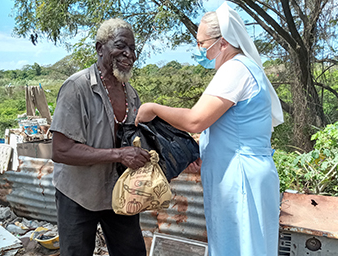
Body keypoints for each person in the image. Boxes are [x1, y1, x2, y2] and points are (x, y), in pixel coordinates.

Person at [135, 2, 284, 256]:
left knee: (240, 248)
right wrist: (205, 150)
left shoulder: (235, 69)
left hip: (240, 179)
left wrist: (154, 108)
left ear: (223, 41)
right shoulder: (244, 68)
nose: (200, 49)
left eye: (202, 43)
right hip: (237, 172)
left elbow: (196, 120)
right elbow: (229, 127)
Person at [50, 18, 150, 256]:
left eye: (133, 49)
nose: (129, 54)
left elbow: (132, 139)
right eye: (121, 46)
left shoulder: (131, 94)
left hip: (119, 194)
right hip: (78, 194)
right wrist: (119, 154)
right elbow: (60, 150)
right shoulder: (76, 87)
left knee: (133, 252)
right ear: (100, 48)